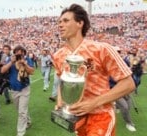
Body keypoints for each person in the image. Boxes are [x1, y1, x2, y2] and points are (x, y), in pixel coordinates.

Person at [53, 4, 135, 135]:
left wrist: (93, 103)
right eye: (59, 22)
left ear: (80, 23)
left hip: (101, 115)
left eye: (66, 21)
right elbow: (61, 82)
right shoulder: (58, 56)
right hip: (78, 117)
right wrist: (60, 102)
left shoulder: (101, 49)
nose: (60, 25)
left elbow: (128, 84)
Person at [1, 45, 35, 136]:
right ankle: (27, 121)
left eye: (21, 53)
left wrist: (25, 64)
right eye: (17, 53)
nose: (19, 55)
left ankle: (20, 132)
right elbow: (2, 71)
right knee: (19, 109)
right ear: (14, 53)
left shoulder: (27, 60)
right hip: (14, 89)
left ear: (24, 53)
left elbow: (32, 71)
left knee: (22, 112)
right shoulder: (10, 60)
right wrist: (11, 62)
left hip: (24, 88)